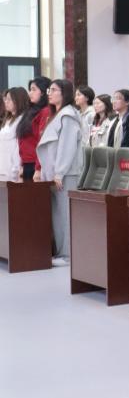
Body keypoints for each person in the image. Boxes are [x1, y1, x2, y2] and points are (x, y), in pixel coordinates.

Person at [35, 79, 84, 265]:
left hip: (65, 174)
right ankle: (61, 252)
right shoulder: (56, 115)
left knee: (65, 214)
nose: (50, 93)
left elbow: (67, 147)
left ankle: (68, 255)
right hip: (54, 173)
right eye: (49, 90)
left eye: (54, 90)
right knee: (57, 214)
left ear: (65, 93)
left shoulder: (68, 116)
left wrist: (59, 173)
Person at [17, 77, 51, 182]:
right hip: (27, 164)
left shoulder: (45, 111)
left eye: (34, 89)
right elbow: (22, 141)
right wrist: (22, 164)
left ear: (43, 92)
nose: (30, 93)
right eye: (30, 90)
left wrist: (38, 168)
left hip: (36, 165)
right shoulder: (30, 111)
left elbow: (42, 142)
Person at [0, 88, 28, 181]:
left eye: (9, 99)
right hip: (3, 168)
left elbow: (18, 147)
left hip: (12, 171)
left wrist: (15, 170)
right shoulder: (7, 120)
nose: (6, 102)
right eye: (5, 99)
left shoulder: (22, 120)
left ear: (18, 100)